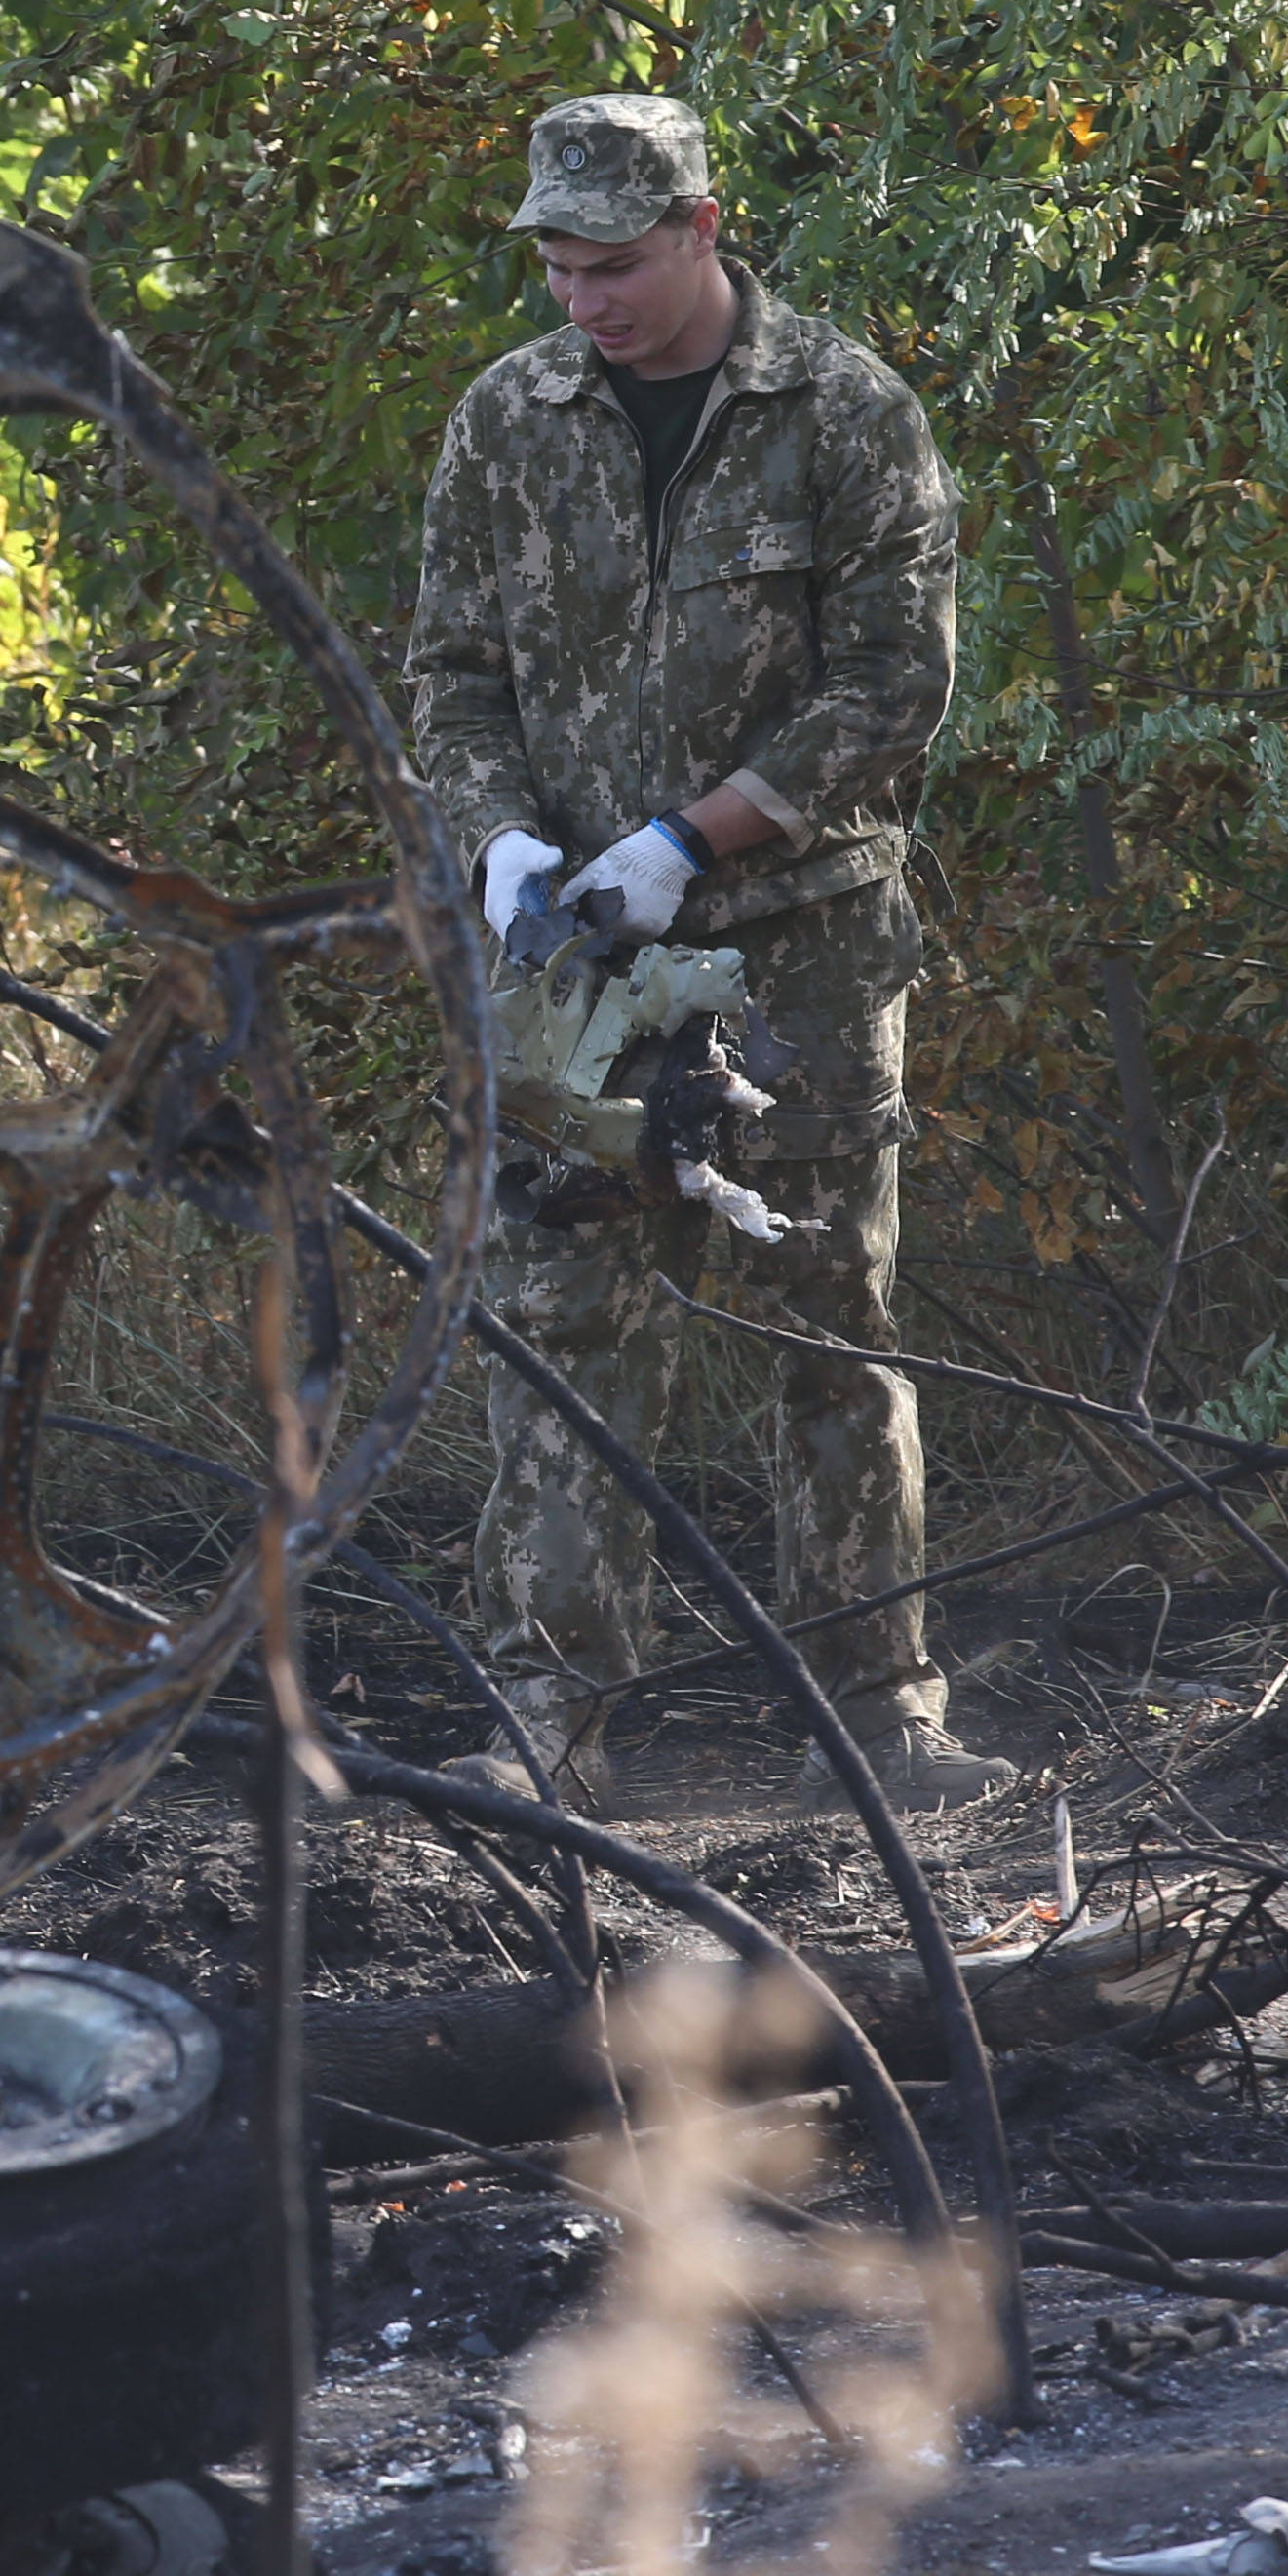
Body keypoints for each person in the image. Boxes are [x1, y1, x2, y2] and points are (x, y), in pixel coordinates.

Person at [408, 91, 995, 1815]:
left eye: (611, 265)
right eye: (556, 269)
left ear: (698, 225)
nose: (582, 300)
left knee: (830, 1313)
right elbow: (450, 672)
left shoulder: (839, 414)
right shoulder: (507, 417)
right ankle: (549, 1723)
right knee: (567, 1322)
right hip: (579, 957)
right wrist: (504, 835)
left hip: (796, 948)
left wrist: (697, 834)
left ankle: (877, 1715)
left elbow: (892, 688)